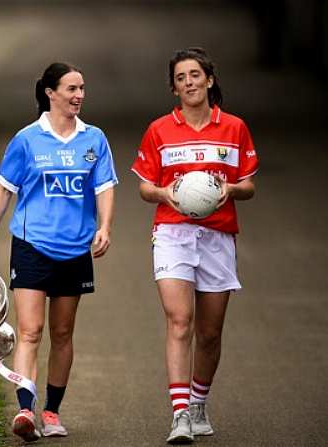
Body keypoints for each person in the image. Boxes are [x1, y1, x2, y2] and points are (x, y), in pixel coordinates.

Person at [0, 62, 117, 442]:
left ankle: (51, 412)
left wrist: (104, 227)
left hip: (75, 249)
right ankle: (25, 410)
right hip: (32, 245)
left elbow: (104, 187)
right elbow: (4, 189)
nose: (79, 95)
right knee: (30, 330)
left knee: (63, 332)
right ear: (50, 93)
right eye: (71, 88)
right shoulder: (26, 139)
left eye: (82, 88)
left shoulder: (94, 139)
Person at [131, 47, 258, 444]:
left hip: (218, 236)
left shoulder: (234, 128)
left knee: (210, 332)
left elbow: (250, 185)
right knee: (179, 320)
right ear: (174, 88)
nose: (189, 82)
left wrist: (233, 189)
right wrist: (165, 194)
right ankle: (180, 413)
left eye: (195, 75)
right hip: (172, 232)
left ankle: (199, 402)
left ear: (209, 80)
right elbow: (145, 187)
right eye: (181, 77)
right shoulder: (159, 131)